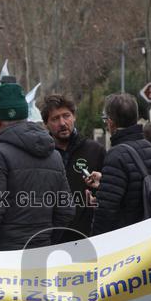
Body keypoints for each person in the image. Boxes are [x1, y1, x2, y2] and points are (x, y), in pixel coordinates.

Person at [0, 83, 73, 251]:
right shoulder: (54, 155)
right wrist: (45, 240)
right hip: (42, 253)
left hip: (5, 256)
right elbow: (66, 209)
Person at [91, 93, 151, 236]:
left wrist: (95, 242)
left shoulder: (116, 155)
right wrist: (105, 182)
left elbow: (106, 209)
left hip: (127, 237)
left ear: (111, 122)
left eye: (105, 119)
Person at [41, 93, 105, 241]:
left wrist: (98, 194)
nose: (62, 123)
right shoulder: (41, 154)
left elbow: (110, 191)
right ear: (46, 123)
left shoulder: (95, 150)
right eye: (55, 118)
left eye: (66, 116)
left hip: (88, 238)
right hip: (50, 239)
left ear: (74, 116)